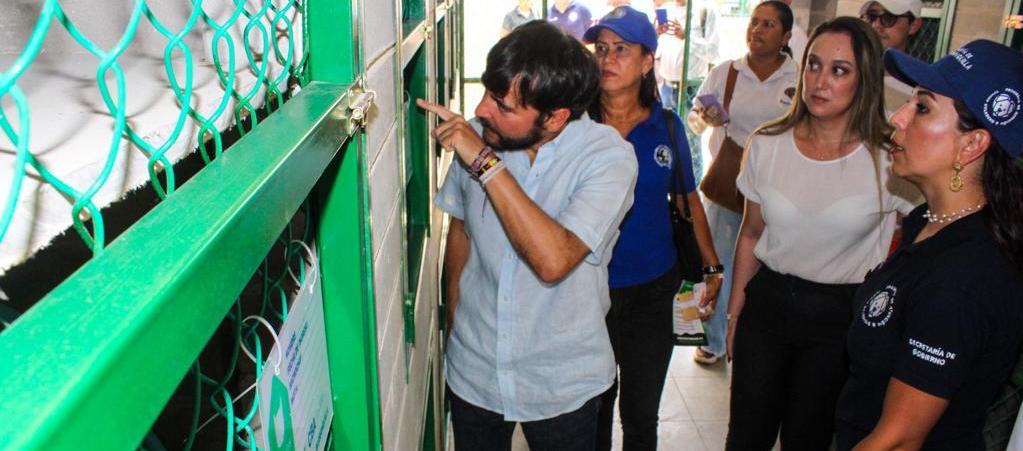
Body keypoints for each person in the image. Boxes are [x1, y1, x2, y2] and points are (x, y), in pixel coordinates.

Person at [424, 21, 638, 451]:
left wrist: (485, 164)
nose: (482, 110)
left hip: (561, 382)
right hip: (474, 372)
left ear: (556, 118)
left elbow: (553, 260)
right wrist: (456, 324)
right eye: (487, 92)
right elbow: (461, 230)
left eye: (503, 106)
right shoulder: (482, 137)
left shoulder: (608, 158)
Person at [723, 17, 918, 449]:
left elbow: (924, 239)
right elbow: (752, 234)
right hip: (768, 306)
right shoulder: (768, 143)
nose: (819, 81)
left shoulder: (889, 158)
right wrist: (734, 315)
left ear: (864, 78)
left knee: (808, 440)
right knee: (745, 438)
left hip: (840, 319)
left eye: (839, 70)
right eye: (813, 65)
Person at [835, 39, 1023, 451]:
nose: (897, 118)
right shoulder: (928, 221)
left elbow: (899, 439)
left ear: (972, 144)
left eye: (922, 107)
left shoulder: (964, 277)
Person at [581, 7, 723, 450]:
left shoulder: (666, 126)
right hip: (587, 289)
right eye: (601, 48)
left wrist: (713, 267)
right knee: (594, 410)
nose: (608, 58)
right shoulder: (576, 125)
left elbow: (686, 199)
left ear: (647, 61)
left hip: (652, 290)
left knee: (641, 415)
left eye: (621, 49)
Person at [686, 0, 798, 366]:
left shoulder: (797, 79)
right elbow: (695, 120)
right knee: (718, 262)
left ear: (786, 36)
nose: (758, 31)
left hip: (779, 188)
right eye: (755, 22)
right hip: (728, 185)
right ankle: (716, 339)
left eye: (768, 25)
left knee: (768, 265)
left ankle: (757, 338)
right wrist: (704, 117)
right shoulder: (727, 72)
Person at [653, 0, 719, 112]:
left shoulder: (706, 10)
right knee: (667, 128)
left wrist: (686, 37)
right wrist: (655, 34)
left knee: (688, 129)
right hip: (666, 88)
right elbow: (656, 50)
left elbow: (713, 53)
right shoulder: (666, 9)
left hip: (691, 90)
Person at [859, 0, 924, 114]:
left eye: (888, 18)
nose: (876, 25)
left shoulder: (920, 94)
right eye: (871, 17)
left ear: (913, 25)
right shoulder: (846, 73)